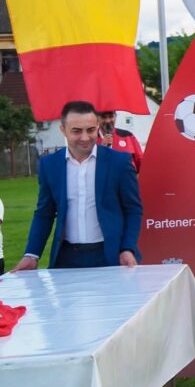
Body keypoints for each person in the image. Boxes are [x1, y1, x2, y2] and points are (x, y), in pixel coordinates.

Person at [15, 100, 141, 271]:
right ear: (63, 130)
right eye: (76, 131)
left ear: (97, 127)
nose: (85, 137)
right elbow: (44, 213)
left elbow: (133, 209)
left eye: (90, 130)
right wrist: (31, 255)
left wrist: (127, 248)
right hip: (66, 258)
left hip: (110, 255)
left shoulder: (119, 162)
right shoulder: (49, 165)